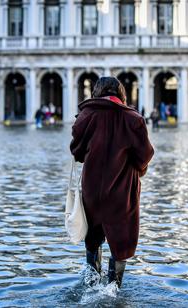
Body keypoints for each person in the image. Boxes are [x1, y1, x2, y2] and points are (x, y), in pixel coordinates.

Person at [70, 76, 154, 288]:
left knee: (93, 238)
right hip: (121, 192)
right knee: (121, 241)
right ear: (121, 93)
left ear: (96, 92)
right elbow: (145, 155)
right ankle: (113, 289)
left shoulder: (86, 116)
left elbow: (76, 151)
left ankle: (92, 284)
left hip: (92, 190)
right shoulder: (133, 119)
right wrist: (138, 169)